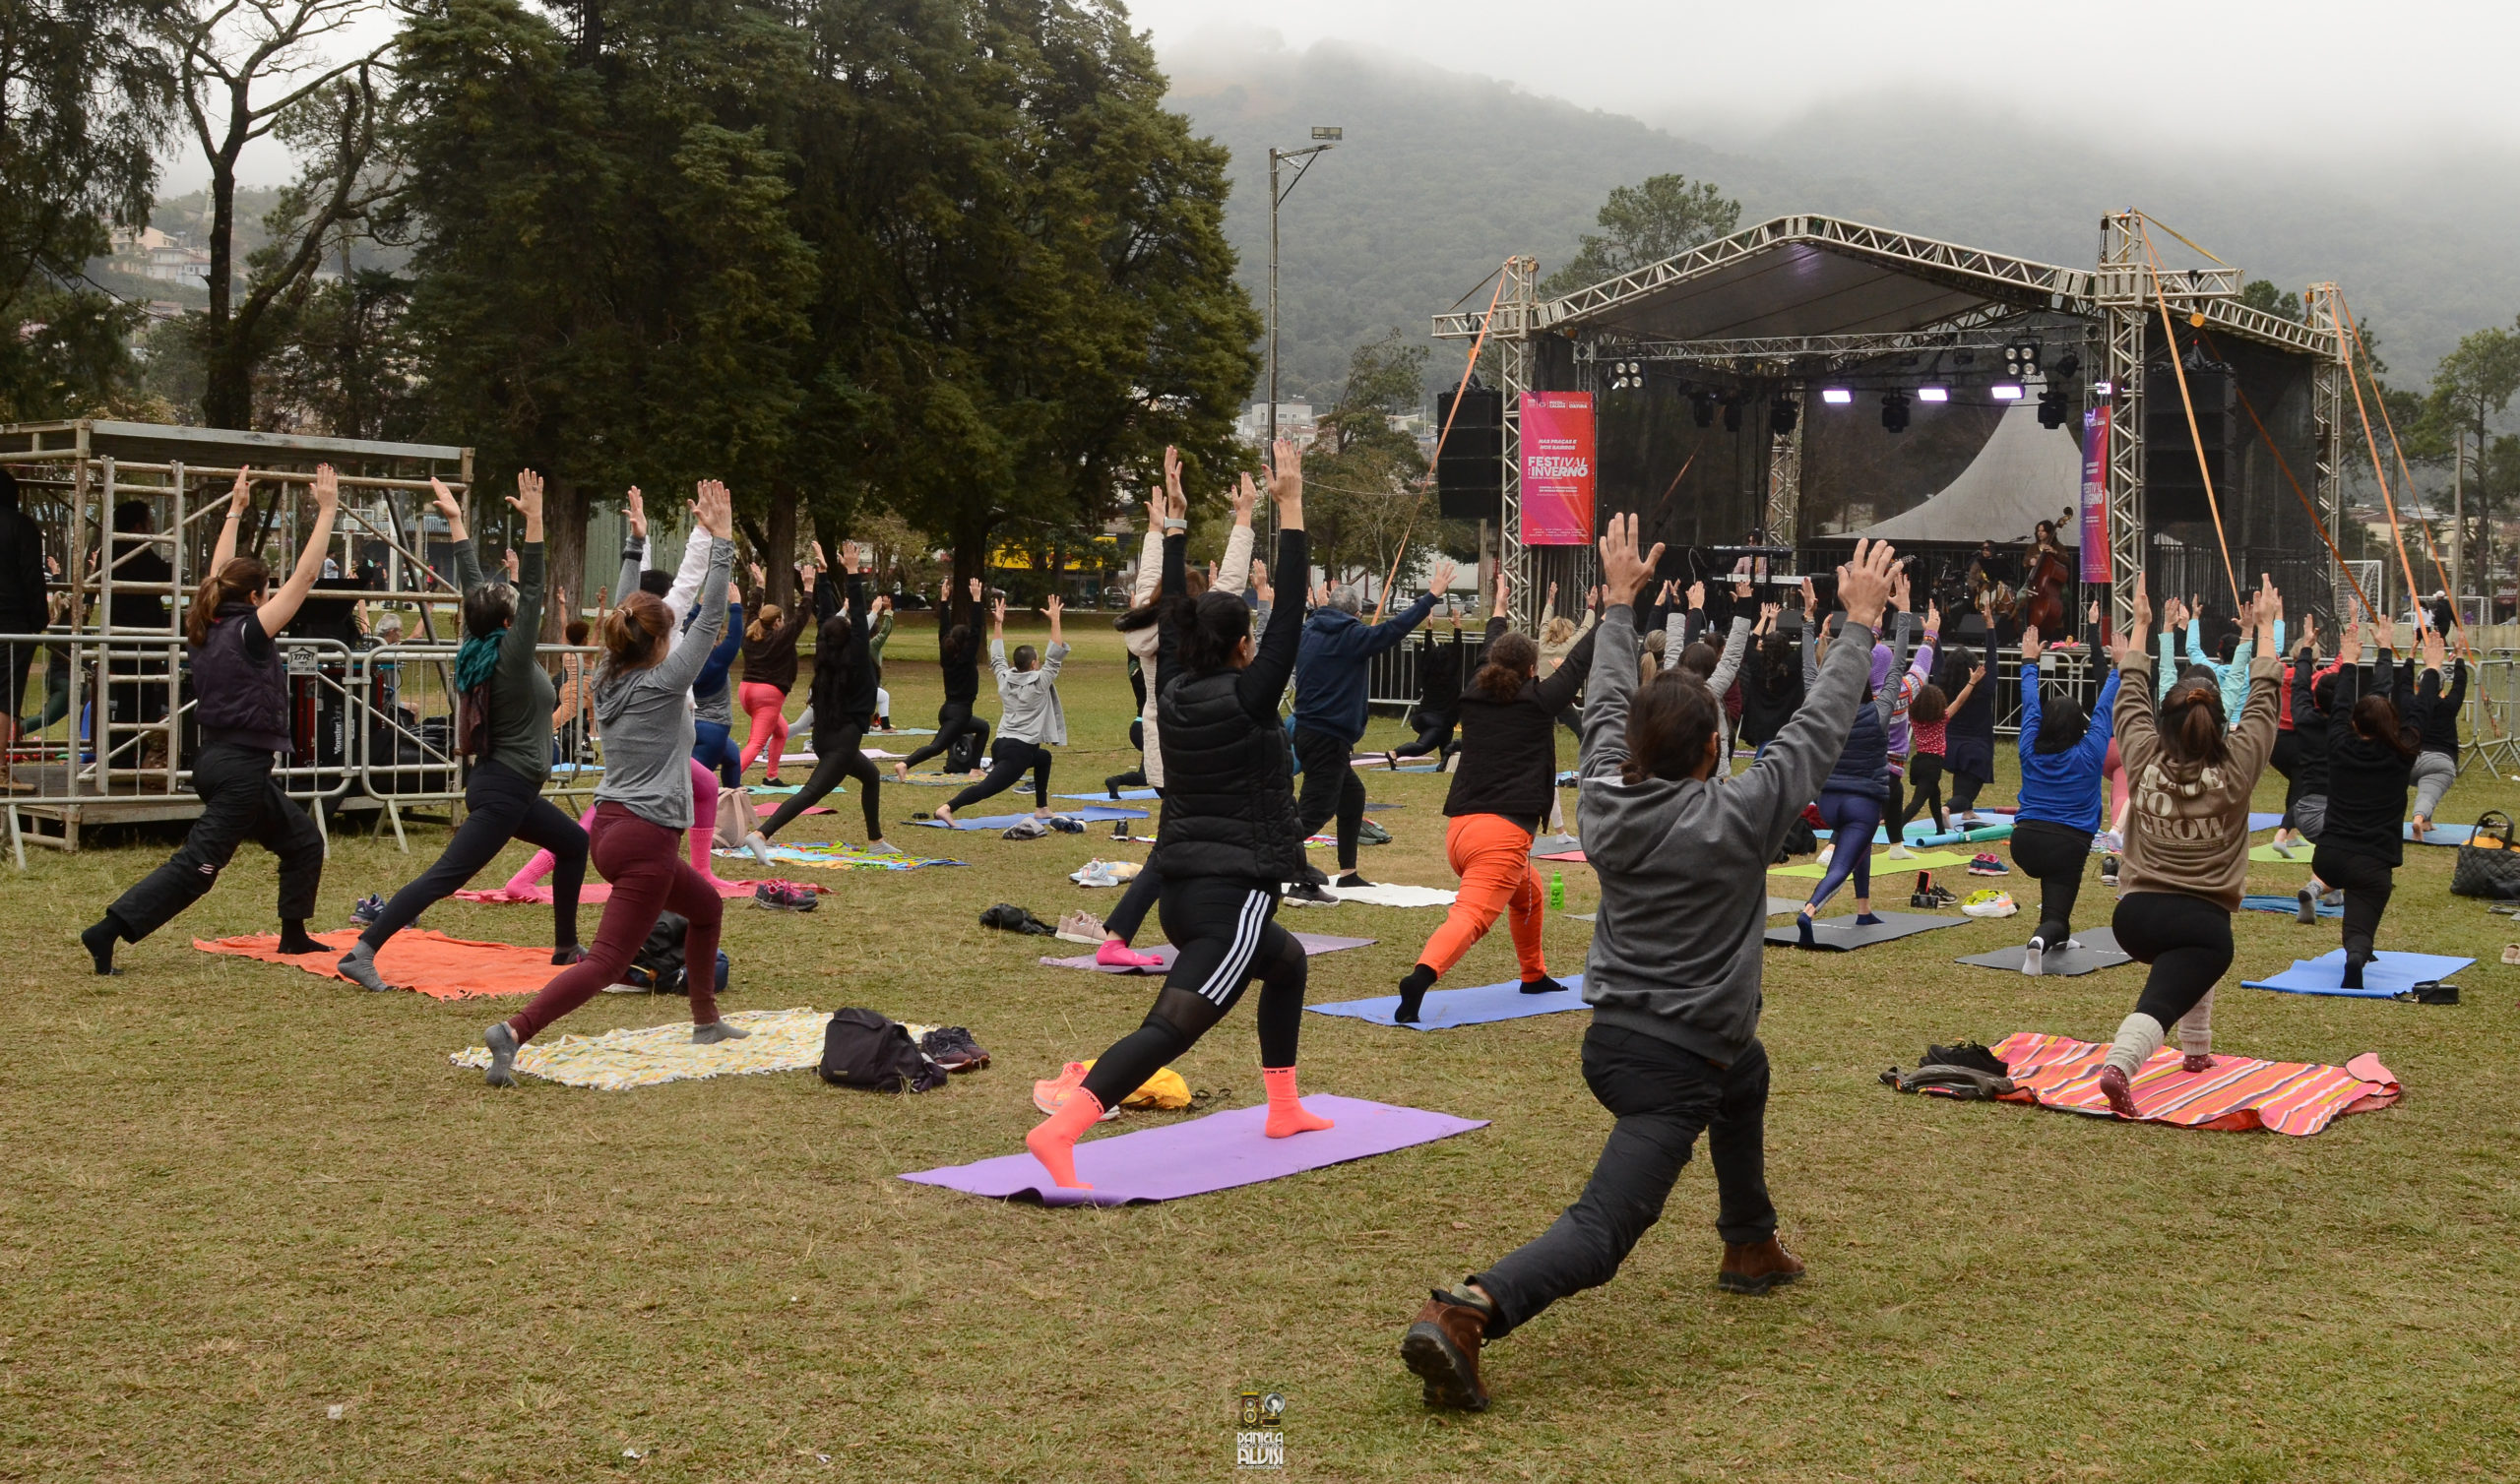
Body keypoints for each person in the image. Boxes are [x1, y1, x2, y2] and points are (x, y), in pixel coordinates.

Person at [1398, 521, 1897, 1413]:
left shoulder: (1602, 803)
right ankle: (1465, 1312)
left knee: (1748, 1073)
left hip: (1620, 1040)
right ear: (1712, 752)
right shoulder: (1740, 812)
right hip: (1671, 1061)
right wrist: (1857, 624)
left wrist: (1619, 607)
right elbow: (1817, 729)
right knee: (1604, 1231)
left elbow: (1601, 707)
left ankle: (1749, 1242)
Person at [1022, 438, 1328, 1190]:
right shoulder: (1249, 695)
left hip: (1185, 894)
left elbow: (1172, 611)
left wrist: (1176, 529)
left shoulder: (1173, 693)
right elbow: (1289, 614)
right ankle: (1061, 1131)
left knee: (1287, 967)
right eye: (1253, 641)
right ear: (1241, 648)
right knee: (1170, 1029)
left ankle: (1283, 1107)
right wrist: (1288, 506)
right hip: (1233, 901)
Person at [480, 482, 745, 1085]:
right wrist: (722, 539)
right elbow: (703, 620)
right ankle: (513, 1031)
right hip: (645, 841)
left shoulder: (607, 672)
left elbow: (630, 607)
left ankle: (705, 1019)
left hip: (613, 830)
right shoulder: (665, 681)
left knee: (705, 910)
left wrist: (637, 543)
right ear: (661, 644)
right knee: (606, 962)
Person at [81, 466, 339, 975]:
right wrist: (327, 510)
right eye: (267, 590)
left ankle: (293, 935)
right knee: (198, 869)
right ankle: (108, 930)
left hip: (223, 761)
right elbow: (306, 578)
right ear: (259, 595)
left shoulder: (209, 619)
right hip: (238, 769)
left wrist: (237, 508)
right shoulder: (249, 630)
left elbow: (220, 570)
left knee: (303, 840)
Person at [337, 472, 590, 991]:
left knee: (571, 842)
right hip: (504, 791)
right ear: (506, 623)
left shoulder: (479, 641)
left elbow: (477, 590)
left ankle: (566, 946)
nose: (519, 603)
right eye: (513, 606)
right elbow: (534, 587)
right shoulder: (511, 657)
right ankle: (362, 952)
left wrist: (456, 523)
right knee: (446, 876)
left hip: (506, 786)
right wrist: (537, 521)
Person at [2092, 574, 2283, 1117]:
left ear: (2165, 723)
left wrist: (2143, 627)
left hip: (2133, 919)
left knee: (2190, 962)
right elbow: (2266, 697)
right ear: (2220, 727)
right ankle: (2121, 1065)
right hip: (2200, 922)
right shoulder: (2238, 769)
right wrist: (2265, 628)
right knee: (2201, 954)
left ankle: (2196, 1051)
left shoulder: (2141, 756)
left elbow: (2129, 690)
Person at [1391, 571, 1598, 1022]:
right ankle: (1420, 979)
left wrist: (1500, 607)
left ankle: (1533, 974)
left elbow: (1491, 645)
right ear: (1531, 669)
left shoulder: (1474, 693)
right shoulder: (1540, 701)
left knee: (1530, 894)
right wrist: (1609, 611)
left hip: (1462, 831)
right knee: (1471, 917)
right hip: (1499, 837)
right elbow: (1580, 661)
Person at [1095, 457, 1258, 968]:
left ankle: (1123, 934)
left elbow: (1150, 586)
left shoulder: (1145, 632)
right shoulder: (1200, 631)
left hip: (1164, 746)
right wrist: (1244, 519)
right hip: (1201, 747)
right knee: (1177, 846)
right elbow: (1230, 584)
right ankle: (1120, 936)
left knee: (1179, 841)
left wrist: (1158, 531)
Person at [1290, 559, 1456, 897]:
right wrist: (1431, 597)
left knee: (1352, 795)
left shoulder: (1311, 630)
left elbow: (1357, 629)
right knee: (1314, 812)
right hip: (1327, 737)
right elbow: (1393, 631)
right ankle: (1287, 871)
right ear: (1357, 615)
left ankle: (1348, 873)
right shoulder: (1351, 637)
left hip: (1307, 732)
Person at [2310, 625, 2438, 987]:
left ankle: (2356, 953)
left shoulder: (2339, 744)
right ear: (2393, 725)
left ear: (2354, 723)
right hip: (2372, 860)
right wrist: (2431, 668)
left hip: (2329, 856)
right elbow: (2422, 709)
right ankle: (2356, 950)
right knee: (2360, 921)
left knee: (2353, 892)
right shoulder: (2402, 752)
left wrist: (2349, 660)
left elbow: (2339, 707)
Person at [750, 539, 890, 852]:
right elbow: (850, 611)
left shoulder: (828, 652)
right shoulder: (853, 656)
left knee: (871, 776)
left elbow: (829, 620)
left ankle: (876, 840)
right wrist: (852, 572)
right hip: (842, 740)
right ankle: (760, 835)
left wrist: (824, 577)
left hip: (829, 734)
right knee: (812, 792)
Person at [2009, 621, 2122, 973]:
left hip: (2024, 842)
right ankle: (2041, 941)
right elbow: (2104, 709)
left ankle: (2060, 936)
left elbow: (2030, 705)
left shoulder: (2029, 746)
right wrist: (2119, 668)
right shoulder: (2089, 751)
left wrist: (2030, 663)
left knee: (2057, 897)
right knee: (2054, 913)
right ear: (2078, 726)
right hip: (2066, 843)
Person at [1793, 591, 1894, 942]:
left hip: (1827, 803)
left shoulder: (1822, 709)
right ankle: (1810, 909)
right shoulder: (1878, 712)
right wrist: (1906, 615)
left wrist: (1807, 621)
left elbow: (1809, 670)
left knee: (1859, 844)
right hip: (1861, 803)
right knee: (1842, 863)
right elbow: (1897, 669)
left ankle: (1863, 910)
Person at [932, 595, 1067, 826]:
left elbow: (996, 657)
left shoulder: (1005, 678)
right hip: (1018, 751)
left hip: (1001, 744)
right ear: (1034, 664)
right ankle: (947, 808)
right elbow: (1054, 656)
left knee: (1044, 757)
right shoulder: (1039, 682)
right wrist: (1055, 620)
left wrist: (998, 623)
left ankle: (1042, 808)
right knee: (986, 789)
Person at [894, 577, 990, 780]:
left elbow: (943, 631)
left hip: (949, 710)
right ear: (966, 644)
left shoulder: (947, 655)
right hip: (958, 714)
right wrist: (976, 600)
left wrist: (944, 600)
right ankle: (904, 764)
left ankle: (974, 768)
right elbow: (976, 631)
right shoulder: (965, 658)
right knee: (936, 747)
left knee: (983, 727)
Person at [737, 560, 813, 784]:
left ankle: (771, 776)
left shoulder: (751, 632)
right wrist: (808, 587)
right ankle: (730, 782)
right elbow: (801, 618)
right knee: (756, 743)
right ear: (778, 621)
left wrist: (759, 585)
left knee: (780, 732)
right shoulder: (780, 638)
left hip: (746, 692)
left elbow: (752, 611)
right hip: (767, 696)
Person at [0, 466, 46, 747]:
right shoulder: (20, 525)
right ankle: (0, 770)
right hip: (12, 625)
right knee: (4, 698)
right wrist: (39, 620)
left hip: (13, 622)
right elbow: (32, 577)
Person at [688, 575, 745, 788]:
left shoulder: (684, 659)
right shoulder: (715, 662)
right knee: (698, 787)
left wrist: (698, 607)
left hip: (689, 724)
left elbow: (686, 628)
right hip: (713, 729)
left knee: (732, 757)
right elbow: (735, 637)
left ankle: (733, 799)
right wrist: (736, 605)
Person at [1391, 615, 1470, 769]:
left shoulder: (1426, 672)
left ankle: (1443, 762)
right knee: (1422, 747)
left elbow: (1426, 652)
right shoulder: (1448, 675)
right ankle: (1394, 753)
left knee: (1446, 733)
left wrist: (1428, 628)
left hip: (1423, 718)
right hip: (1436, 720)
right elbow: (1457, 652)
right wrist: (1458, 626)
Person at [2408, 629, 2464, 837]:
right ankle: (2419, 818)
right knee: (2429, 792)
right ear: (2442, 686)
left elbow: (2404, 684)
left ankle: (2427, 822)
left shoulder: (2412, 704)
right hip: (2440, 761)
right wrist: (2458, 655)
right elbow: (2460, 684)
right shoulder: (2449, 705)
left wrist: (2411, 656)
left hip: (2408, 758)